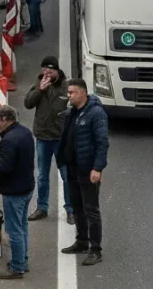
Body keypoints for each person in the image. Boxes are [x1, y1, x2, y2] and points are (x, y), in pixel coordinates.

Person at [0, 107, 35, 280]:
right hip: (26, 187)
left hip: (14, 191)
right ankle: (22, 260)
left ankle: (17, 267)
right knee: (22, 226)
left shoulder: (9, 140)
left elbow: (4, 168)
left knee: (14, 230)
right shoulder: (24, 132)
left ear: (5, 119)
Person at [58, 78, 109, 267]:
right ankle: (81, 241)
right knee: (78, 208)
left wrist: (97, 168)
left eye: (72, 92)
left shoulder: (96, 113)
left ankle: (96, 249)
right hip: (72, 168)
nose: (69, 95)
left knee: (91, 210)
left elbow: (102, 142)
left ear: (82, 93)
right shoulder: (73, 112)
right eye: (68, 92)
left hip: (88, 170)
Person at [24, 57, 74, 224]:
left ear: (57, 71)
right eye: (45, 69)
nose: (47, 73)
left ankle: (71, 210)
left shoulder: (66, 86)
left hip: (61, 138)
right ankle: (42, 208)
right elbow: (28, 103)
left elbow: (76, 105)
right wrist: (40, 89)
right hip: (43, 137)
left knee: (66, 175)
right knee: (42, 176)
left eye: (51, 70)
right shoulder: (39, 83)